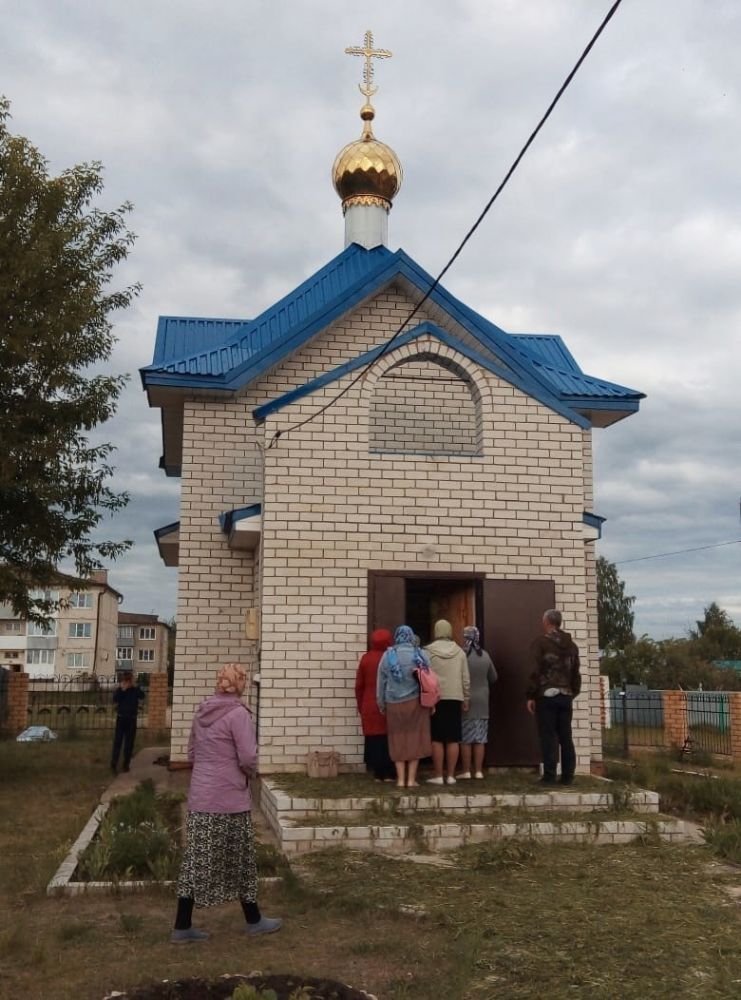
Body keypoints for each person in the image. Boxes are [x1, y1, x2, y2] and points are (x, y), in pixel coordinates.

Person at [171, 663, 281, 944]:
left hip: (201, 797)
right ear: (239, 684)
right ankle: (254, 921)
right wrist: (249, 774)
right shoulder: (238, 714)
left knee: (196, 861)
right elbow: (248, 757)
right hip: (229, 798)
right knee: (242, 860)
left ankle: (182, 925)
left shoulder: (202, 710)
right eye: (244, 679)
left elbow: (192, 752)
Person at [526, 609, 582, 786]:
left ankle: (549, 776)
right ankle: (567, 776)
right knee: (566, 737)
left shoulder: (541, 643)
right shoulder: (572, 646)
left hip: (547, 695)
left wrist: (531, 694)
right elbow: (576, 672)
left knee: (548, 736)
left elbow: (534, 670)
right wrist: (572, 692)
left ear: (546, 622)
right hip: (566, 695)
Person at [376, 625, 432, 788]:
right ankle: (411, 779)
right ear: (411, 637)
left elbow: (381, 683)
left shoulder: (387, 655)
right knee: (415, 739)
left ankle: (400, 780)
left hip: (393, 703)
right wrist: (432, 702)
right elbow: (429, 679)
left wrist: (381, 703)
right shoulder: (420, 654)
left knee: (397, 739)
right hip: (416, 703)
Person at [424, 619, 470, 785]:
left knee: (437, 737)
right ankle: (451, 775)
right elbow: (465, 677)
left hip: (436, 698)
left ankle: (438, 775)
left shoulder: (427, 652)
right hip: (455, 696)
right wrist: (466, 698)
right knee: (453, 737)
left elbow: (424, 676)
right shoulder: (460, 652)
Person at [355, 628, 395, 781]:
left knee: (374, 738)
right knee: (389, 737)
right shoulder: (391, 658)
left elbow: (359, 686)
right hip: (388, 702)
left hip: (369, 704)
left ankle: (378, 773)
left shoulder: (366, 659)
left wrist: (361, 705)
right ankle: (391, 772)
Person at [458, 626, 497, 780]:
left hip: (466, 699)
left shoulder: (461, 655)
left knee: (466, 739)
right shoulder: (485, 655)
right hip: (482, 700)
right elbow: (494, 677)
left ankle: (466, 771)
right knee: (480, 738)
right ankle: (479, 771)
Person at [111, 670, 145, 774]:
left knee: (129, 743)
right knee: (118, 742)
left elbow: (142, 696)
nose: (128, 682)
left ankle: (126, 765)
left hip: (131, 719)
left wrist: (135, 686)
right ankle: (113, 764)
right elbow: (115, 699)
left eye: (130, 680)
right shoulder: (120, 689)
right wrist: (122, 690)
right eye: (127, 680)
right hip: (121, 718)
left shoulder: (135, 689)